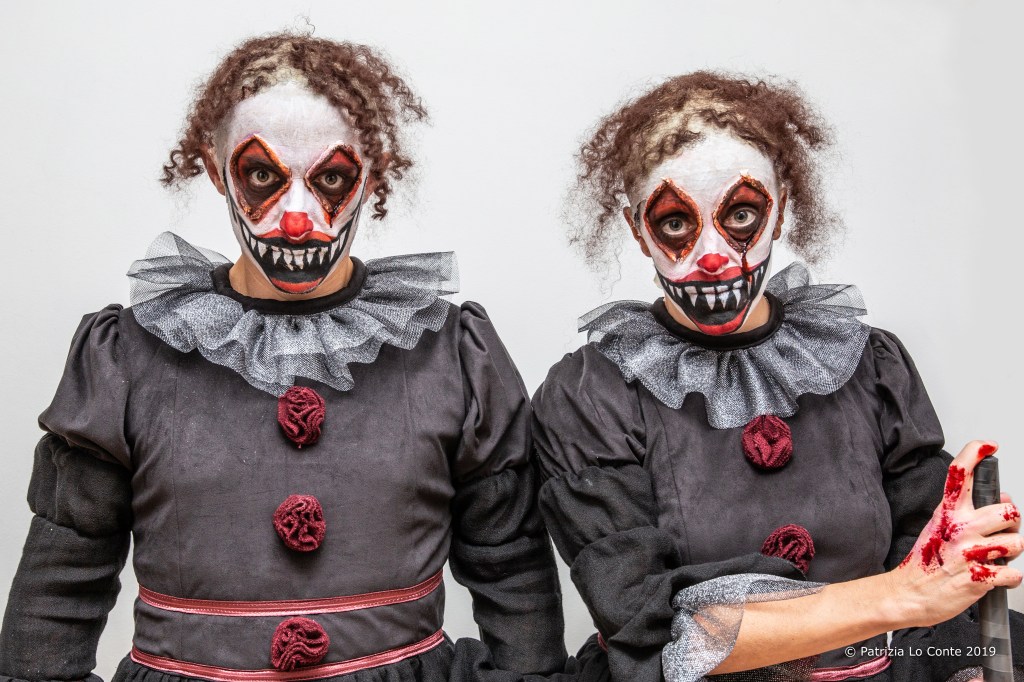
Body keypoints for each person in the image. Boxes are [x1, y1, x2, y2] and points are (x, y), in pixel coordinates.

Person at [0, 32, 567, 682]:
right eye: (263, 176)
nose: (297, 220)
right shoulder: (127, 356)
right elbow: (58, 591)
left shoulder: (451, 351)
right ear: (216, 169)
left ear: (373, 172)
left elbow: (514, 574)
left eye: (331, 179)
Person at [531, 72, 1024, 682]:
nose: (714, 256)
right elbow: (655, 635)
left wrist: (961, 619)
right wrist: (903, 595)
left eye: (741, 214)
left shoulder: (869, 364)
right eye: (676, 224)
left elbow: (937, 595)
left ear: (780, 209)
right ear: (638, 229)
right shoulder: (590, 396)